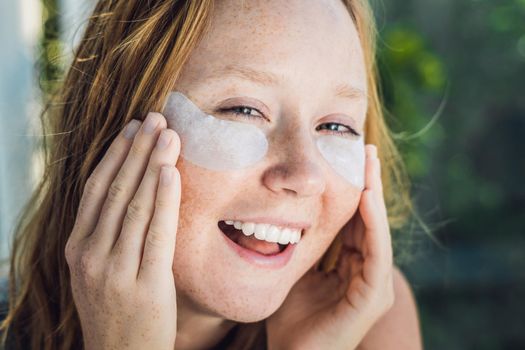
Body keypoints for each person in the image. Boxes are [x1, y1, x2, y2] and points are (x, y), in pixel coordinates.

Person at [0, 0, 423, 349]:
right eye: (243, 110)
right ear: (116, 123)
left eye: (336, 126)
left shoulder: (366, 316)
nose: (305, 175)